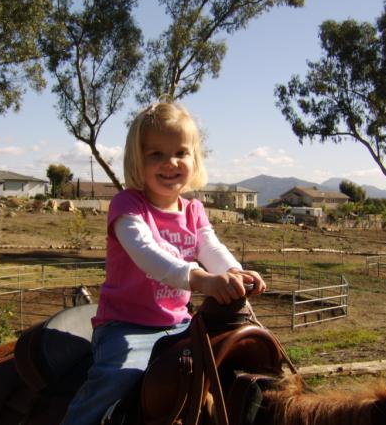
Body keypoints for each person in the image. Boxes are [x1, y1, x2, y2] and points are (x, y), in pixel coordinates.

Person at [60, 102, 266, 425]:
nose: (170, 163)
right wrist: (201, 280)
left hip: (181, 324)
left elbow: (210, 246)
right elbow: (147, 254)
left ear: (193, 159)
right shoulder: (128, 206)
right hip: (126, 326)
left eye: (180, 153)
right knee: (117, 380)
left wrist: (233, 272)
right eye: (156, 154)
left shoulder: (193, 210)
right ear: (137, 160)